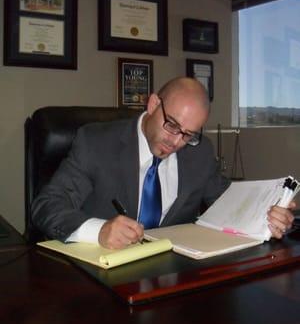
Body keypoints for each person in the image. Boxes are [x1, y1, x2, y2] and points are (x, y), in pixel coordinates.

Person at [32, 77, 296, 249]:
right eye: (172, 126)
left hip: (172, 279)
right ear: (153, 103)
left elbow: (229, 205)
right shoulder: (95, 142)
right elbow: (47, 206)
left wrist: (267, 216)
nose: (176, 142)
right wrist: (98, 230)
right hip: (103, 277)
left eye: (189, 134)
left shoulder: (199, 152)